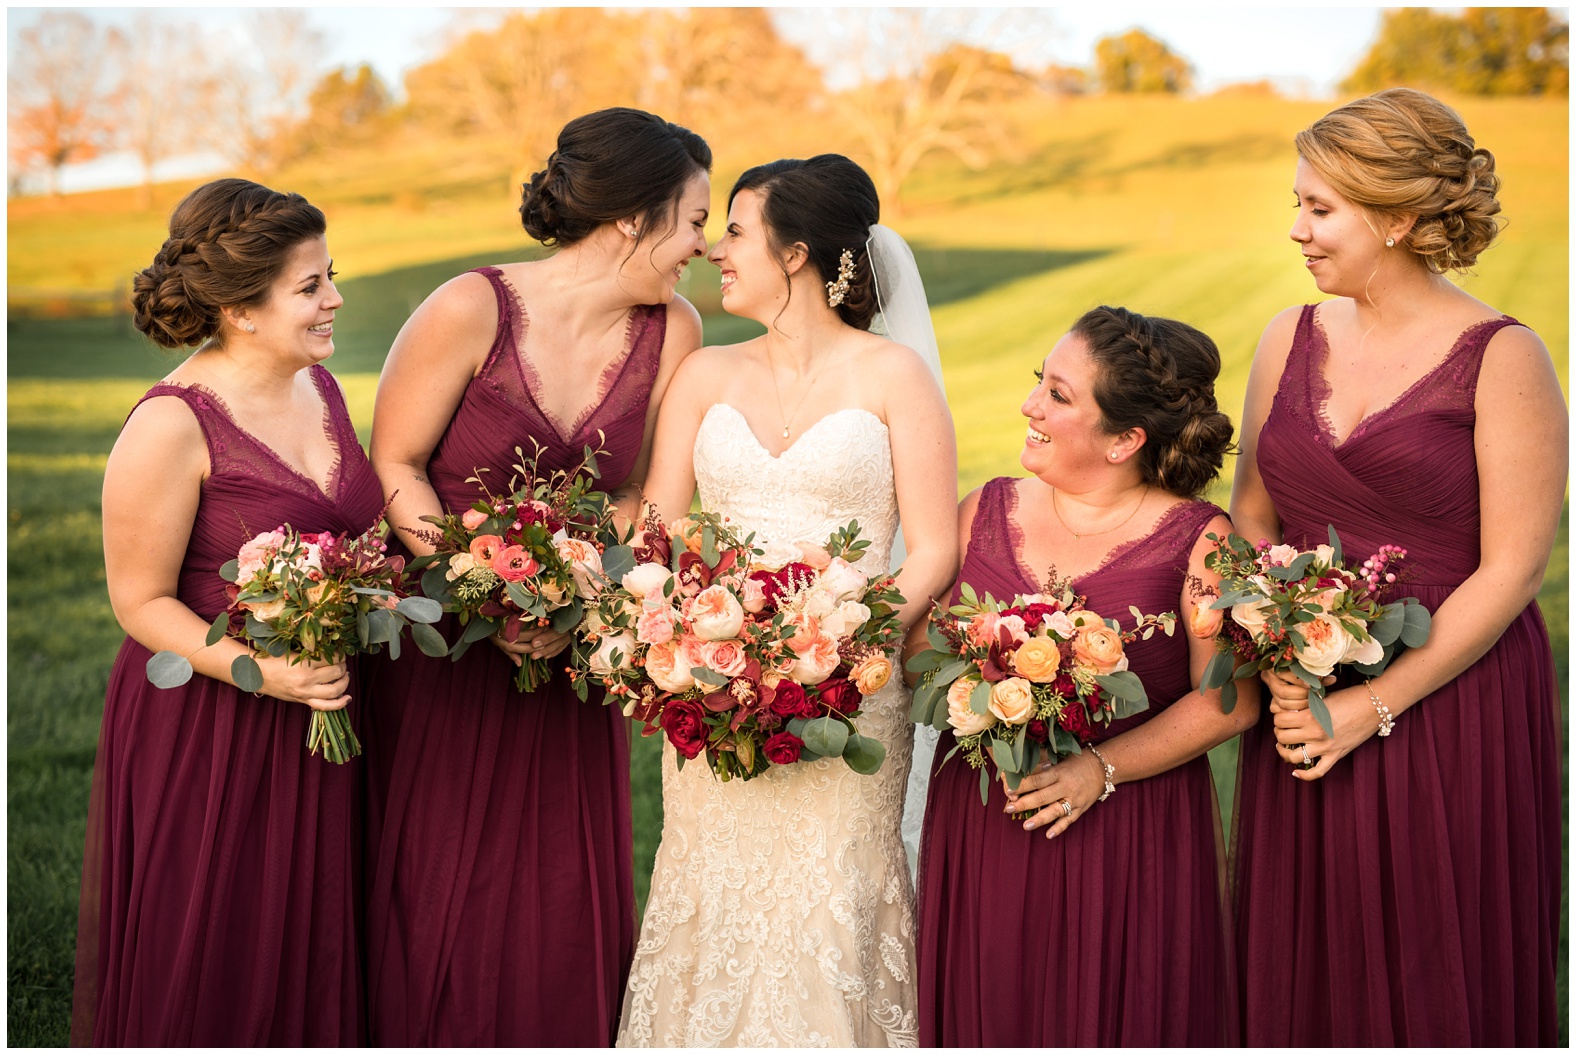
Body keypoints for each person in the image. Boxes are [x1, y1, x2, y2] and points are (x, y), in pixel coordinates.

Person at [361, 107, 711, 1046]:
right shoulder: (471, 307)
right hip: (445, 646)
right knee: (437, 875)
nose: (702, 246)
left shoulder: (674, 327)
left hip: (570, 654)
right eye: (690, 220)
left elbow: (644, 490)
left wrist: (580, 593)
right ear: (632, 217)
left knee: (558, 885)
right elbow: (392, 463)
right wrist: (479, 584)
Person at [1230, 87, 1564, 1046]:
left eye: (1319, 209)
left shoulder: (1503, 358)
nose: (1296, 229)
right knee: (1304, 959)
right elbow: (1253, 516)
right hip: (1299, 695)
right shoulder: (1286, 338)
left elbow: (1512, 570)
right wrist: (1284, 656)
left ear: (1400, 218)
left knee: (1434, 961)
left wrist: (1372, 705)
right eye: (1297, 204)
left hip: (1450, 700)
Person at [615, 154, 958, 1047]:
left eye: (734, 231)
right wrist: (692, 636)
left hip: (854, 693)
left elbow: (933, 547)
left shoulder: (894, 377)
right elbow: (661, 525)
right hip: (714, 695)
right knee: (711, 895)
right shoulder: (704, 375)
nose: (715, 251)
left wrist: (843, 638)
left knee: (834, 902)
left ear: (797, 251)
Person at [70, 178, 374, 1045]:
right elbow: (137, 600)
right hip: (214, 716)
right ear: (243, 308)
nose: (335, 298)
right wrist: (261, 671)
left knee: (312, 937)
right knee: (223, 942)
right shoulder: (171, 425)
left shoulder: (322, 389)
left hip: (320, 708)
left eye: (331, 275)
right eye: (310, 285)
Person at [913, 306, 1258, 1045]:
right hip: (987, 819)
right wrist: (974, 680)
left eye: (1059, 396)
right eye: (1041, 381)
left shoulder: (1204, 541)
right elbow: (918, 651)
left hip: (1128, 834)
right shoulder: (986, 508)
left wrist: (1097, 769)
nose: (1030, 405)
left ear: (1125, 439)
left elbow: (1226, 702)